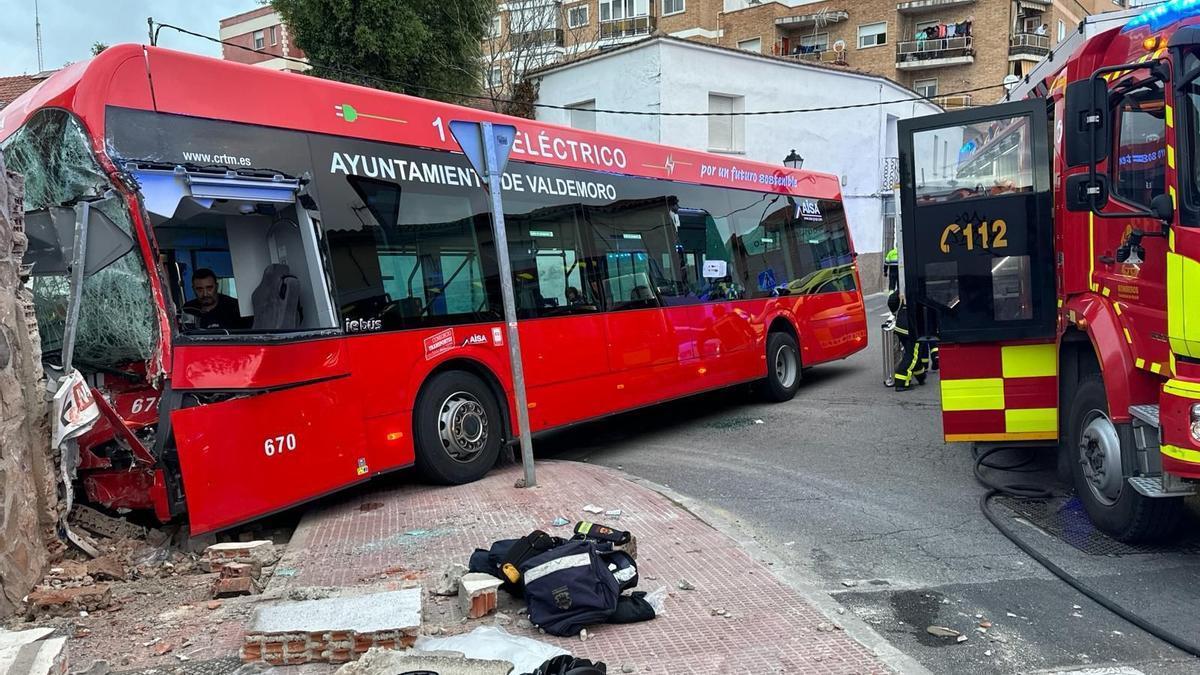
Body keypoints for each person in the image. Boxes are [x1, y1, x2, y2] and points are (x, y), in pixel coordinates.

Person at [890, 290, 929, 392]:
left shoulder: (904, 285)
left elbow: (892, 300)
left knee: (913, 353)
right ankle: (901, 383)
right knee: (912, 356)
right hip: (913, 329)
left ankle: (921, 376)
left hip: (901, 327)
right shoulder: (923, 288)